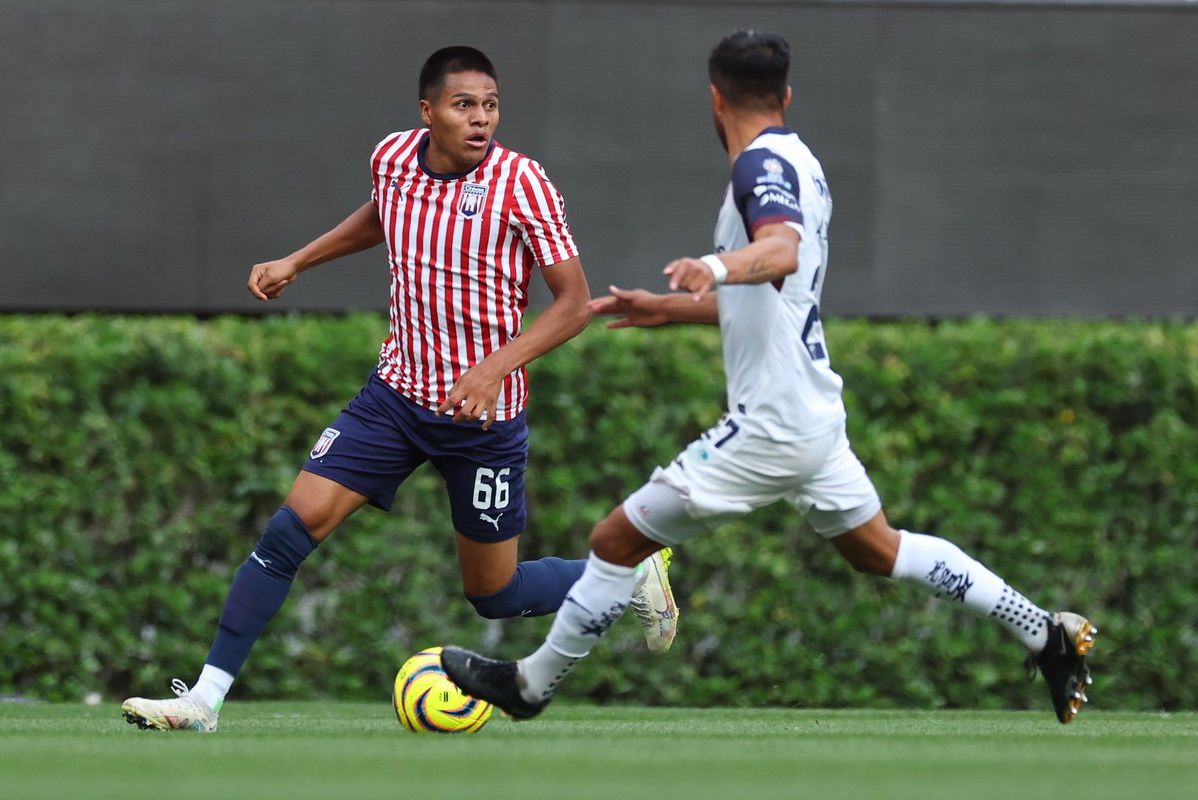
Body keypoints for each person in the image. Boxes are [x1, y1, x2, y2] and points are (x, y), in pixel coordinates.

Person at [441, 30, 1096, 725]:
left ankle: (531, 684)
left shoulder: (758, 167)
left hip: (771, 424)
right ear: (785, 96)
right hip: (814, 413)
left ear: (715, 99)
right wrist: (670, 306)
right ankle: (1044, 631)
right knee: (880, 549)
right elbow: (774, 296)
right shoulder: (803, 160)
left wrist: (716, 266)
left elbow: (778, 251)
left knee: (615, 542)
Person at [121, 46, 677, 733]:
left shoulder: (521, 182)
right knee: (286, 533)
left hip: (483, 418)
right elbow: (386, 214)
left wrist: (493, 368)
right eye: (463, 105)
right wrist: (298, 259)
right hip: (393, 399)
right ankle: (203, 701)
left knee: (494, 594)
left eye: (490, 105)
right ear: (428, 112)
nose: (480, 119)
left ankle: (628, 578)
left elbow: (572, 305)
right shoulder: (392, 157)